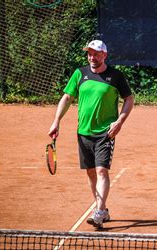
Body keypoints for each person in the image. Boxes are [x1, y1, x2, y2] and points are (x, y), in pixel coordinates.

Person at [48, 39, 134, 229]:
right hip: (83, 132)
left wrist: (119, 122)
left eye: (96, 54)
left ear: (104, 55)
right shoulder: (80, 74)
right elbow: (67, 97)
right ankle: (101, 208)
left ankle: (99, 212)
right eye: (89, 54)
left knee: (102, 170)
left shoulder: (116, 76)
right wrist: (56, 121)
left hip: (106, 132)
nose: (92, 57)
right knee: (90, 173)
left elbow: (129, 98)